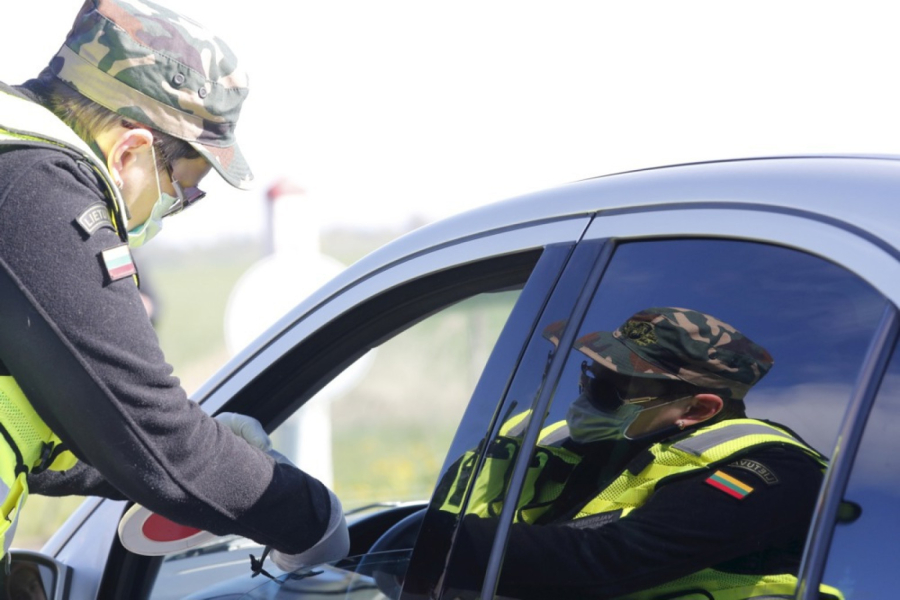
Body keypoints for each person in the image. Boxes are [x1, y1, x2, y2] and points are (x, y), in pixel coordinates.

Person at [0, 0, 347, 571]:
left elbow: (41, 421)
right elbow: (159, 442)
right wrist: (313, 521)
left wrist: (201, 447)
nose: (178, 206)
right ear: (131, 151)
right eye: (184, 188)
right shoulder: (35, 193)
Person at [440, 307, 842, 599]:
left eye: (612, 390)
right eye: (591, 378)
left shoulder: (774, 470)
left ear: (697, 410)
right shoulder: (559, 442)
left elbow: (608, 561)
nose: (585, 400)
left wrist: (437, 542)